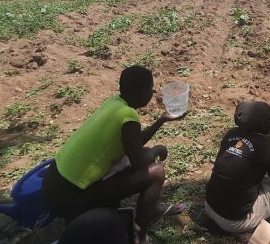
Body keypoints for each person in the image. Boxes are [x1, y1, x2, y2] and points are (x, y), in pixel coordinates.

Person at [41, 65, 187, 243]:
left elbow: (134, 144)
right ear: (141, 91)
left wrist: (161, 120)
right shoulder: (128, 116)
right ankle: (139, 235)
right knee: (156, 172)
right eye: (150, 87)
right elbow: (140, 161)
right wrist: (157, 149)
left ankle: (152, 210)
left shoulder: (115, 103)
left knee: (146, 154)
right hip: (70, 199)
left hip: (54, 186)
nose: (153, 91)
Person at [204, 101, 270, 234]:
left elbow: (245, 151)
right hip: (234, 221)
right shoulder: (269, 146)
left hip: (209, 206)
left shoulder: (230, 134)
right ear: (265, 124)